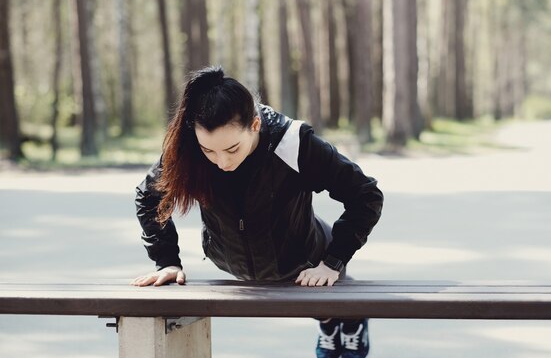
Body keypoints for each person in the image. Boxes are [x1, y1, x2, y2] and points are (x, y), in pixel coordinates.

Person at [132, 66, 384, 358]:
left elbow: (366, 194)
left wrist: (332, 262)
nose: (221, 161)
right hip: (230, 258)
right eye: (209, 151)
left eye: (232, 149)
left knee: (328, 270)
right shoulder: (189, 147)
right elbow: (147, 196)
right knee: (319, 291)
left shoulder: (291, 142)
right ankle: (328, 317)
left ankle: (349, 319)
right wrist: (167, 261)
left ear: (254, 125)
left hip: (302, 256)